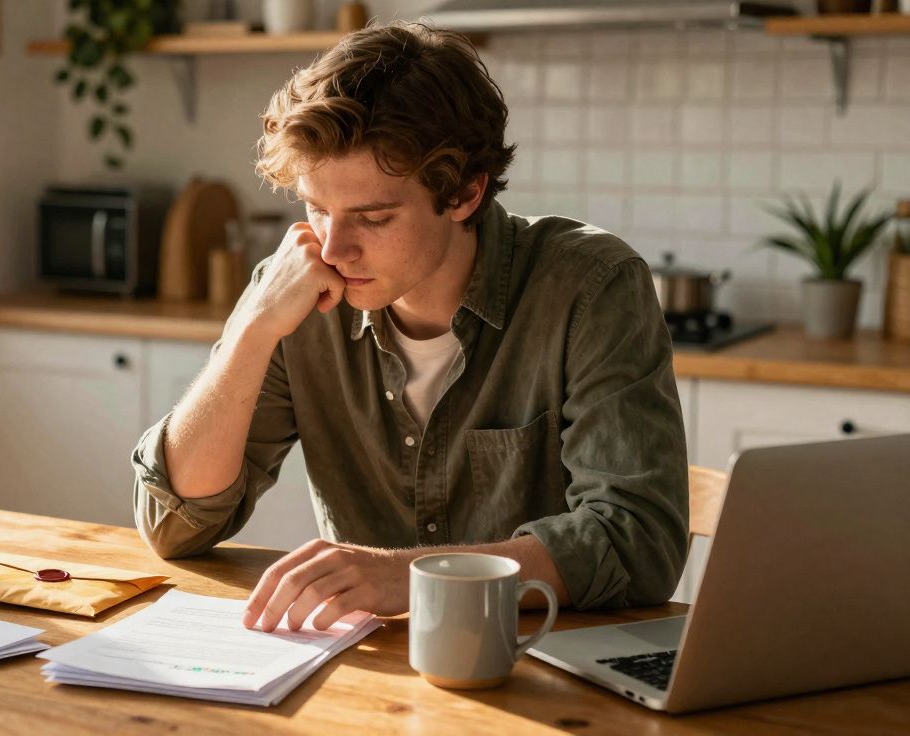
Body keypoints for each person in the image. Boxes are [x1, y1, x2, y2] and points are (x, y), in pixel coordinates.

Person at [132, 22, 688, 633]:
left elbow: (639, 543)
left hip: (548, 666)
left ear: (466, 193)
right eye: (317, 208)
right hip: (375, 677)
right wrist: (252, 331)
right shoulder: (293, 289)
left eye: (372, 218)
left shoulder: (590, 287)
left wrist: (409, 575)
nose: (335, 248)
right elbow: (176, 525)